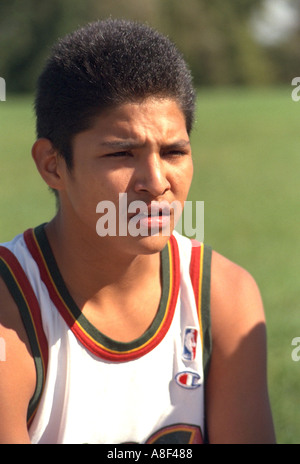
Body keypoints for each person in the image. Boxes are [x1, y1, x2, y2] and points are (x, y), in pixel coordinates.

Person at [0, 18, 276, 444]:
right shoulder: (12, 311)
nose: (156, 181)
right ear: (52, 165)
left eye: (174, 151)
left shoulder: (223, 297)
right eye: (122, 153)